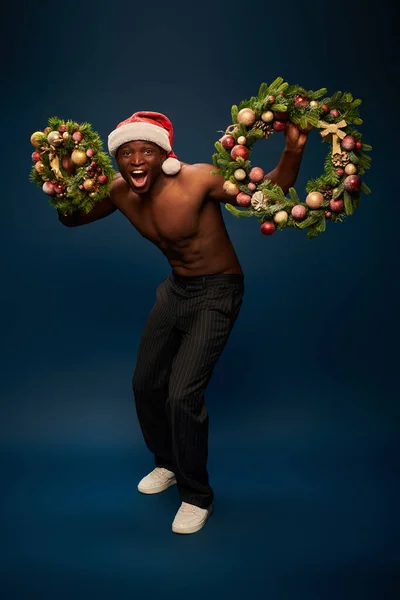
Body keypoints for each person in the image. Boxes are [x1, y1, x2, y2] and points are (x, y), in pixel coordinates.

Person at [58, 111, 308, 534]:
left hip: (218, 291)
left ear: (164, 154)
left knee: (181, 397)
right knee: (145, 384)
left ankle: (197, 496)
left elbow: (269, 195)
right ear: (116, 159)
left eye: (146, 151)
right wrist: (64, 176)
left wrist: (293, 150)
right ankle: (166, 463)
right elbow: (71, 216)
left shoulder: (199, 179)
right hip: (175, 290)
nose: (137, 160)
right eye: (127, 152)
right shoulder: (119, 192)